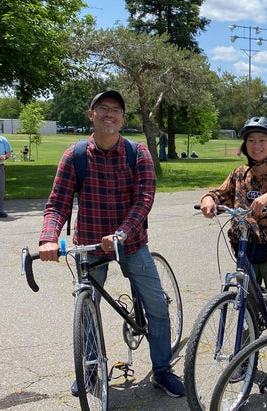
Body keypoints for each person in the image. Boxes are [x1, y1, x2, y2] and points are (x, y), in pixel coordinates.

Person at [37, 90, 185, 398]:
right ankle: (90, 370)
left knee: (157, 307)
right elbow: (57, 203)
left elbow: (144, 199)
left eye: (116, 110)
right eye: (103, 108)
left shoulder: (138, 152)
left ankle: (162, 370)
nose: (110, 114)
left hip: (131, 243)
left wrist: (122, 232)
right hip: (89, 245)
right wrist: (49, 238)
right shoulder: (75, 155)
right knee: (87, 308)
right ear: (90, 115)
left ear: (123, 119)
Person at [199, 116, 267, 383]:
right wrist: (207, 199)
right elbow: (219, 193)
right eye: (251, 140)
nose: (256, 145)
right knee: (246, 306)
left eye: (262, 140)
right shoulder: (240, 174)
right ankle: (244, 359)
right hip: (244, 250)